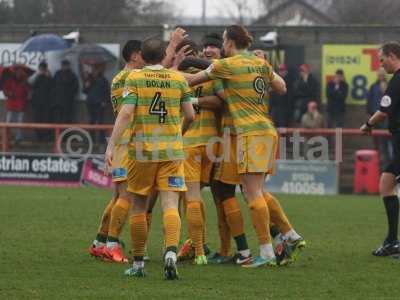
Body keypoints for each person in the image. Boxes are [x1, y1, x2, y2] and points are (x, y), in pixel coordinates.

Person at [177, 25, 305, 268]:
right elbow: (281, 87)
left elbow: (193, 79)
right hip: (267, 130)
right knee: (256, 191)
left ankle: (267, 252)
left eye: (224, 40)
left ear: (230, 42)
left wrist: (163, 73)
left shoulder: (227, 65)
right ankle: (288, 236)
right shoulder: (260, 64)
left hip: (247, 132)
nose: (222, 45)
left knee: (251, 193)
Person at [105, 37, 195, 279]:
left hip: (142, 151)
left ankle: (138, 264)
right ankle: (171, 254)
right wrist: (179, 130)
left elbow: (125, 113)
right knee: (170, 204)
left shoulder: (135, 78)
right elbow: (191, 114)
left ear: (142, 56)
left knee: (139, 206)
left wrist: (111, 145)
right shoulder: (177, 79)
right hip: (172, 151)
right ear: (164, 54)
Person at [89, 40, 148, 263]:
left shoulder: (120, 78)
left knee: (117, 197)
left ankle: (99, 242)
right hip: (127, 142)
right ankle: (112, 246)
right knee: (127, 196)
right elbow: (126, 113)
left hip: (123, 142)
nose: (145, 60)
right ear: (134, 56)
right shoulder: (129, 78)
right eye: (143, 55)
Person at [360, 41, 400, 257]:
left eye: (382, 59)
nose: (381, 64)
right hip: (397, 139)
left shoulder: (397, 81)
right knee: (386, 183)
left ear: (392, 56)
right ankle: (392, 240)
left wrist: (368, 124)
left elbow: (383, 111)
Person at [367, 69, 392, 163]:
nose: (381, 76)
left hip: (387, 119)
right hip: (376, 118)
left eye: (382, 74)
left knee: (387, 142)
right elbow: (369, 101)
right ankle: (378, 160)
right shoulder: (373, 86)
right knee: (377, 141)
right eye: (379, 74)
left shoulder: (390, 86)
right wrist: (371, 114)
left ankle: (388, 162)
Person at [3, 65, 30, 144]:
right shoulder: (9, 80)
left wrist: (25, 87)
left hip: (21, 104)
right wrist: (9, 93)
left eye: (20, 71)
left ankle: (18, 138)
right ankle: (6, 137)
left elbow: (28, 92)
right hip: (11, 104)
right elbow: (5, 90)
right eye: (17, 71)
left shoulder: (25, 81)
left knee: (20, 123)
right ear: (14, 72)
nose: (19, 73)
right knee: (8, 122)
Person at [30, 61, 52, 141]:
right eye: (41, 68)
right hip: (36, 102)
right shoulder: (36, 76)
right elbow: (30, 83)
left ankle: (45, 136)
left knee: (46, 119)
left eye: (43, 69)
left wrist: (48, 77)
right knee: (37, 119)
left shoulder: (49, 76)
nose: (42, 70)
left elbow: (51, 88)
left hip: (46, 102)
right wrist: (37, 75)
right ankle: (38, 136)